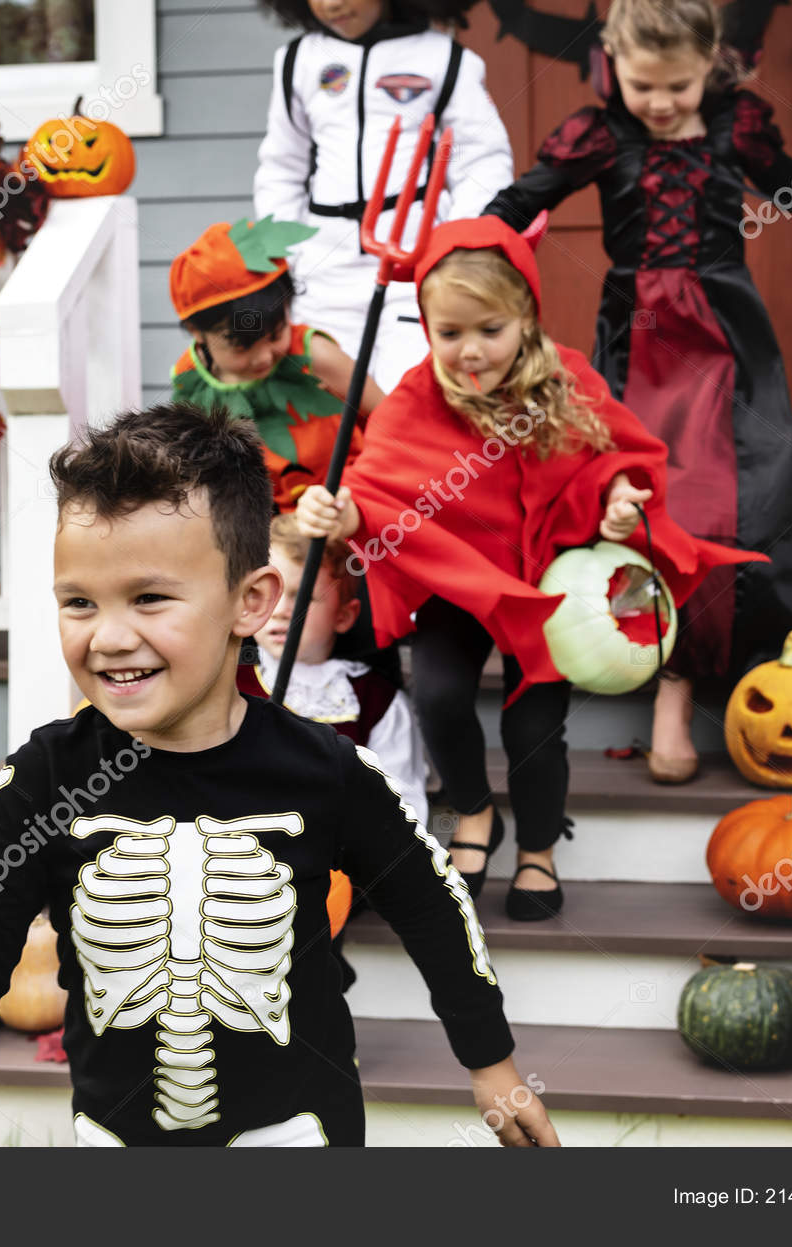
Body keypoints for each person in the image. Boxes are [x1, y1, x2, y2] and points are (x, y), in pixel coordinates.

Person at [0, 403, 557, 1148]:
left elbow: (432, 909)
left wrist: (491, 1059)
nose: (111, 636)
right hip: (116, 1142)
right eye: (80, 602)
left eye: (150, 598)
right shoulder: (44, 778)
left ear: (249, 603)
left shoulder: (328, 771)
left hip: (302, 1135)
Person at [485, 0, 792, 783]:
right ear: (614, 67)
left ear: (711, 67)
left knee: (760, 489)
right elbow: (518, 205)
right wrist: (467, 256)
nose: (660, 103)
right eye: (643, 84)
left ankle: (770, 665)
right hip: (640, 342)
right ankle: (671, 687)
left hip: (730, 337)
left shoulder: (737, 126)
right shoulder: (601, 135)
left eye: (679, 87)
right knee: (661, 502)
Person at [295, 217, 760, 921]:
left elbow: (615, 459)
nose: (470, 351)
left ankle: (539, 845)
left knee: (534, 722)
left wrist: (618, 501)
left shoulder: (567, 382)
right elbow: (378, 489)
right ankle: (477, 811)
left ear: (526, 317)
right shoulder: (419, 398)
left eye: (490, 329)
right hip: (460, 584)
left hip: (552, 586)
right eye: (448, 333)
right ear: (426, 327)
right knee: (443, 695)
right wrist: (341, 515)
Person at [253, 0, 513, 391]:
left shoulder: (443, 58)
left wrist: (454, 249)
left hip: (415, 268)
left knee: (407, 392)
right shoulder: (298, 60)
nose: (331, 4)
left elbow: (481, 162)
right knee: (325, 404)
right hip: (323, 270)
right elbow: (281, 168)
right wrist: (285, 258)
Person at [170, 216, 385, 514]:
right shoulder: (189, 379)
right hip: (257, 527)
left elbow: (390, 419)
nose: (264, 357)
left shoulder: (315, 356)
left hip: (342, 509)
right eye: (241, 345)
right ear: (196, 331)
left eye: (275, 335)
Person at [244, 514, 431, 827]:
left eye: (303, 597)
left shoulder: (375, 702)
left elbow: (402, 808)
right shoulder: (226, 684)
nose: (280, 611)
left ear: (344, 616)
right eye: (268, 593)